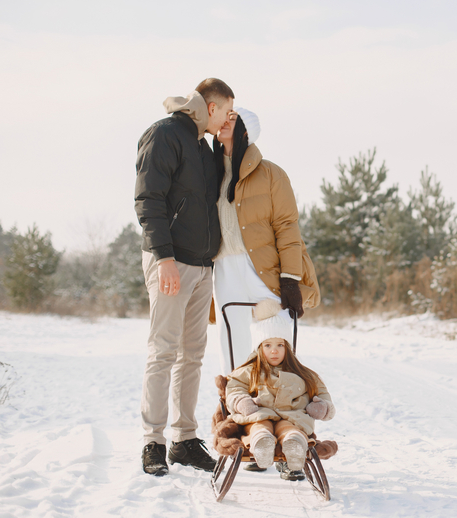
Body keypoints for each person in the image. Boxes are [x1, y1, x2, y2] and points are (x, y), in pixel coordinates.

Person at [134, 78, 234, 476]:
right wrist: (165, 258)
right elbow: (148, 199)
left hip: (203, 264)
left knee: (192, 356)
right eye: (227, 111)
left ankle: (184, 440)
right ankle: (153, 443)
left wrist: (228, 140)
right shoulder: (165, 134)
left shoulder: (203, 145)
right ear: (211, 107)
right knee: (163, 352)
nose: (229, 117)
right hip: (171, 261)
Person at [209, 107, 320, 375]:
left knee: (277, 339)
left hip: (264, 266)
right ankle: (234, 407)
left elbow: (287, 227)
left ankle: (282, 406)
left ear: (246, 131)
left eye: (232, 118)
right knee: (231, 342)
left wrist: (290, 278)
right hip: (224, 267)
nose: (225, 121)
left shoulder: (272, 174)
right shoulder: (208, 173)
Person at [225, 299, 335, 480]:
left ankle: (294, 444)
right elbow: (234, 387)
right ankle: (262, 442)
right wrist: (240, 401)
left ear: (288, 348)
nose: (274, 351)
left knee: (290, 428)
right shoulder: (249, 371)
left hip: (292, 417)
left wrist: (323, 406)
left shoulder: (302, 373)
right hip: (258, 415)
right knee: (260, 425)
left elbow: (321, 391)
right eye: (268, 345)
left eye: (280, 345)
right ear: (259, 348)